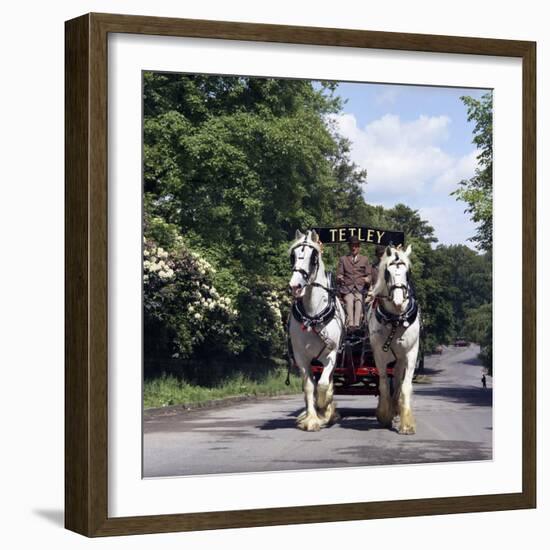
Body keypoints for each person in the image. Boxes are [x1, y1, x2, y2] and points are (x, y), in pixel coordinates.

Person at [336, 235, 372, 330]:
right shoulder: (343, 259)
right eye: (352, 245)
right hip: (347, 288)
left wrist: (368, 279)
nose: (353, 248)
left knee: (359, 300)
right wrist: (339, 277)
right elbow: (339, 274)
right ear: (349, 246)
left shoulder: (365, 259)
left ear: (359, 247)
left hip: (360, 289)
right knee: (349, 300)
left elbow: (369, 275)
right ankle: (350, 325)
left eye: (356, 246)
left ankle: (357, 325)